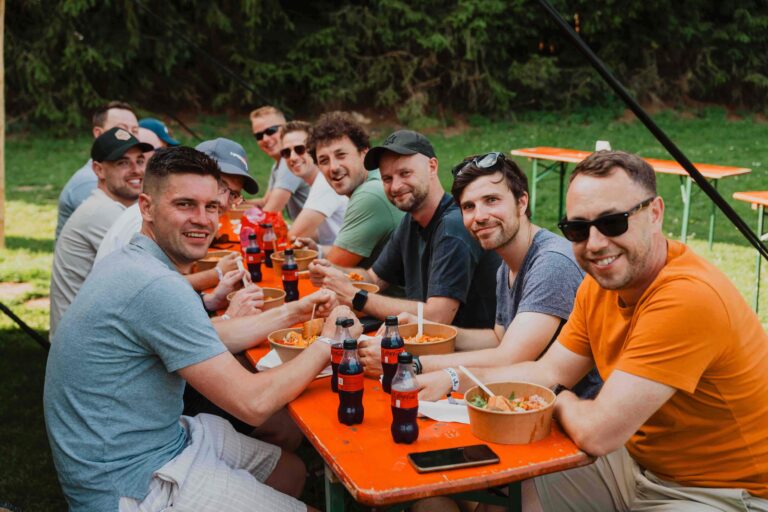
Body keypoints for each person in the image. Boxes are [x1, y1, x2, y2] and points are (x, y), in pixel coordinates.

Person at [418, 150, 768, 511]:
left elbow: (597, 432)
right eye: (579, 229)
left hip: (724, 492)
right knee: (511, 482)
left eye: (613, 222)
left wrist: (559, 400)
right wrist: (451, 377)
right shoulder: (598, 287)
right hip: (638, 466)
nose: (596, 243)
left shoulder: (685, 297)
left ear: (655, 213)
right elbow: (547, 372)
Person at [44, 145, 360, 512]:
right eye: (185, 205)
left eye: (211, 207)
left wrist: (296, 311)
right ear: (146, 207)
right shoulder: (156, 286)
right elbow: (253, 403)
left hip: (158, 439)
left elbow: (210, 336)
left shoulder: (136, 262)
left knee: (289, 471)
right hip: (129, 482)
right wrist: (330, 341)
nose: (202, 219)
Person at [359, 150, 599, 397]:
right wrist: (426, 329)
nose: (480, 216)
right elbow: (498, 338)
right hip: (522, 399)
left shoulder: (552, 263)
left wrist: (408, 362)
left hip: (569, 407)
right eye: (469, 207)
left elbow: (509, 357)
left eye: (492, 200)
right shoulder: (507, 263)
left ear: (522, 202)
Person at [311, 130, 500, 330]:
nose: (395, 186)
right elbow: (374, 279)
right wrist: (334, 272)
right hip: (422, 340)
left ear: (432, 167)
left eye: (405, 173)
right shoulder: (411, 221)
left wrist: (355, 296)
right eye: (387, 178)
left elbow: (437, 316)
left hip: (466, 346)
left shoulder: (453, 226)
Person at [94, 138, 261, 313]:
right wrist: (218, 276)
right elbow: (154, 290)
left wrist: (211, 301)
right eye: (221, 185)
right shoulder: (147, 220)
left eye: (234, 194)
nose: (224, 202)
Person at [49, 127, 152, 337]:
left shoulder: (114, 207)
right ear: (99, 170)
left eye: (140, 161)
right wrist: (216, 274)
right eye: (123, 163)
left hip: (97, 328)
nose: (137, 170)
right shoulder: (101, 213)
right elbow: (152, 279)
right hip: (84, 341)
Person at [296, 111, 405, 268]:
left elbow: (329, 272)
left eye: (341, 155)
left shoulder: (369, 194)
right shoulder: (377, 180)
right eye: (324, 161)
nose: (333, 167)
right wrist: (318, 251)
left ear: (364, 154)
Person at [56, 101, 140, 239]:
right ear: (98, 133)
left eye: (135, 131)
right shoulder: (88, 184)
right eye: (121, 130)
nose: (131, 137)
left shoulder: (117, 181)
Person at [281, 120, 348, 245]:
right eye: (286, 152)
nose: (293, 157)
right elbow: (318, 233)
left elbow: (293, 237)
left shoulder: (324, 183)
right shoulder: (319, 181)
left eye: (300, 149)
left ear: (314, 150)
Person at [249, 106, 309, 220]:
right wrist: (232, 203)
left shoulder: (291, 163)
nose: (265, 139)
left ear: (286, 129)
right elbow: (265, 202)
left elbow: (270, 212)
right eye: (259, 136)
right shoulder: (278, 165)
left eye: (271, 131)